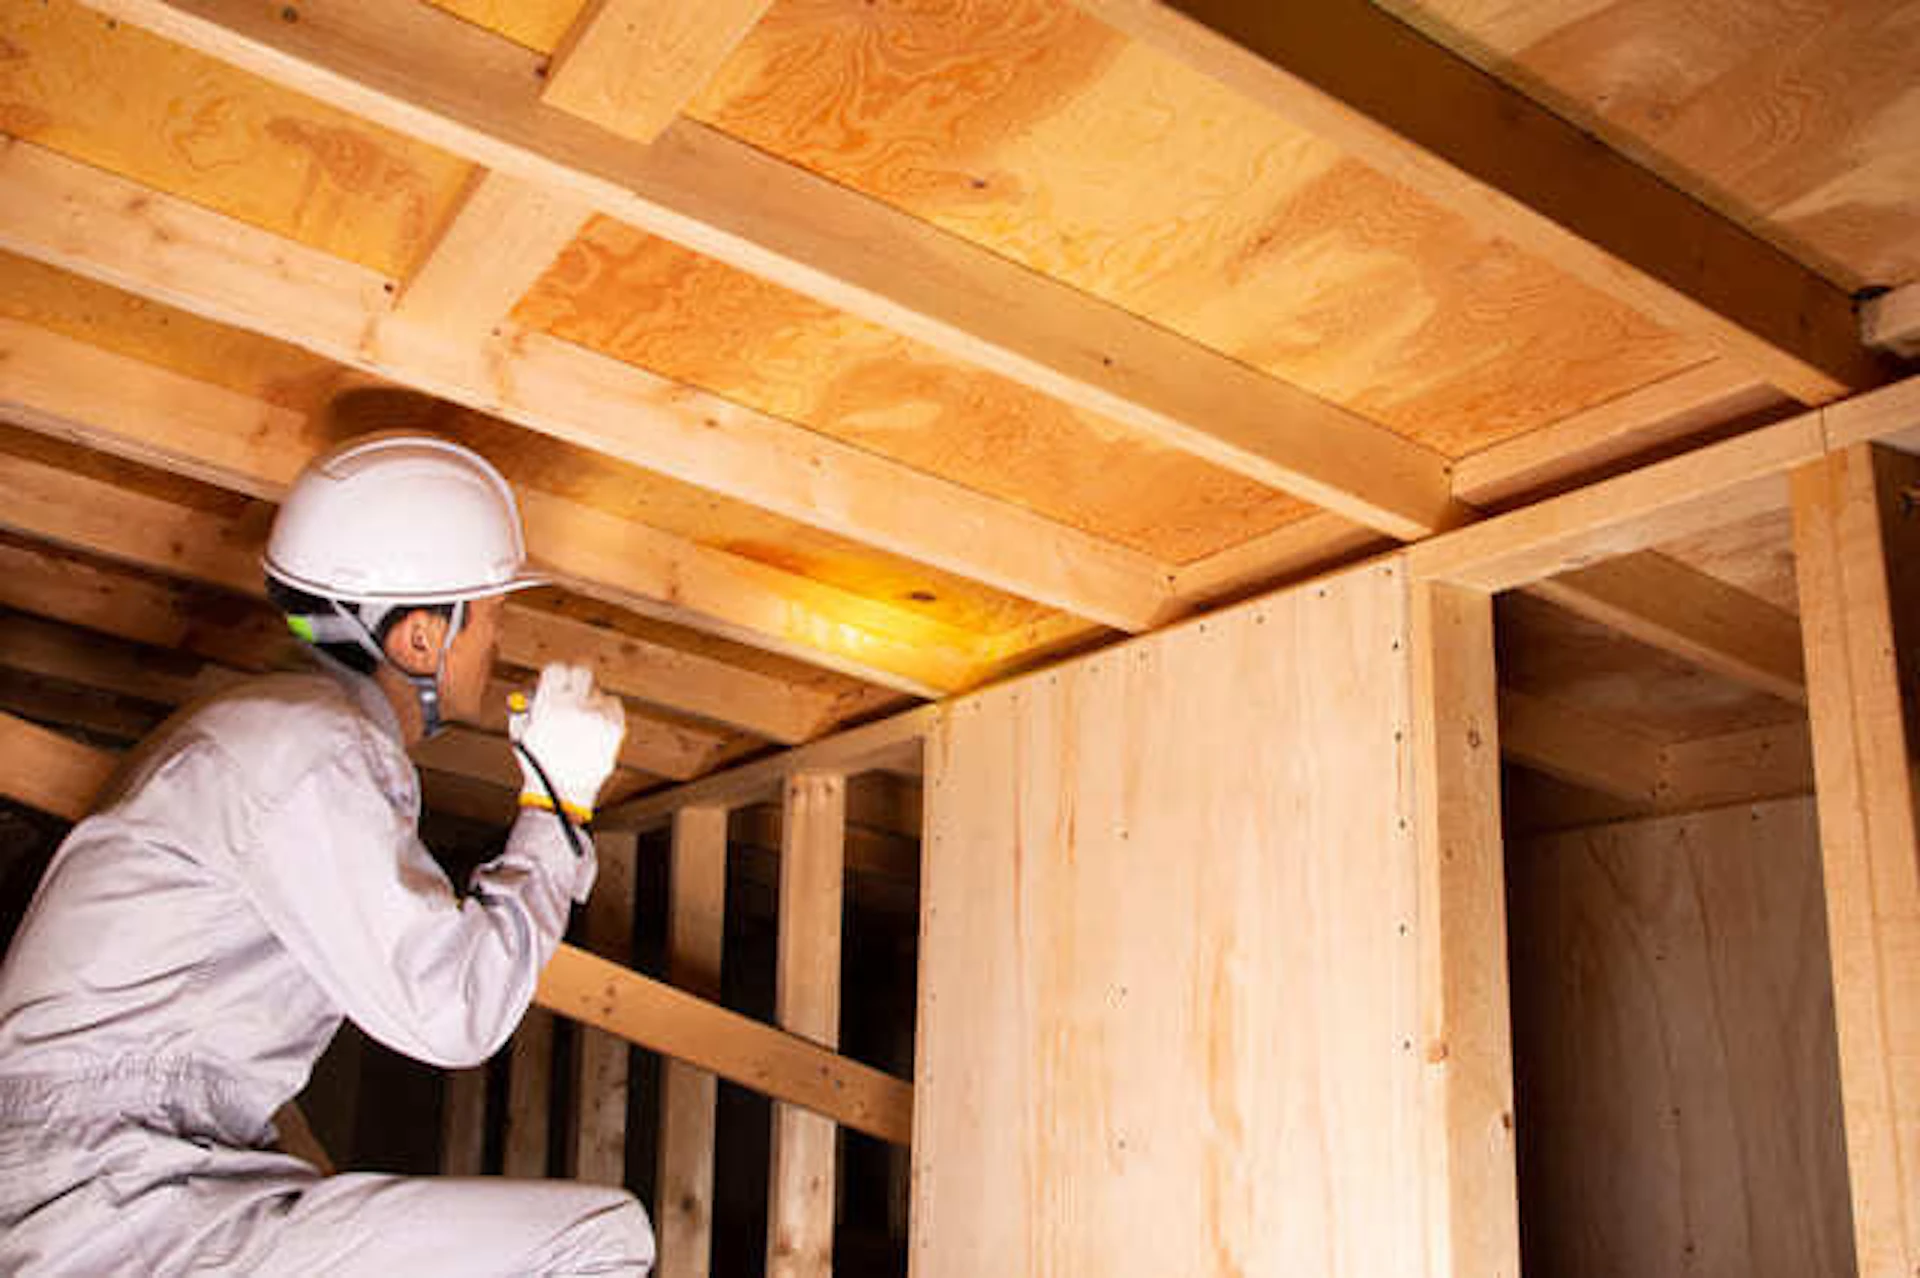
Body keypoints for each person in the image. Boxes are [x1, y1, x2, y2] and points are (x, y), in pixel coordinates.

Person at [0, 434, 656, 1274]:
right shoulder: (312, 749)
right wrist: (556, 805)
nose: (497, 646)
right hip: (114, 1194)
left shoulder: (271, 735)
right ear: (422, 639)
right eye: (490, 617)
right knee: (599, 1242)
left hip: (126, 1187)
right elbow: (452, 1014)